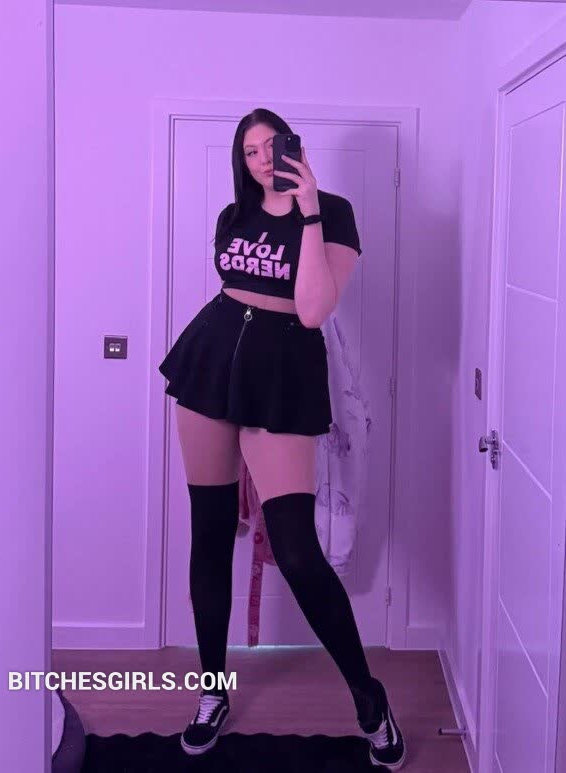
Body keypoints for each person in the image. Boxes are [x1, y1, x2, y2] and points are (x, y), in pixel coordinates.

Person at [158, 108, 407, 770]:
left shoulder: (334, 212)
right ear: (242, 162)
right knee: (210, 536)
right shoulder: (233, 217)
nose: (263, 158)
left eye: (273, 145)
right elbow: (232, 294)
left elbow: (314, 309)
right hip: (211, 364)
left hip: (283, 377)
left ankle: (371, 700)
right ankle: (213, 692)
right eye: (251, 151)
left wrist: (308, 211)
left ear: (294, 146)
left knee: (297, 551)